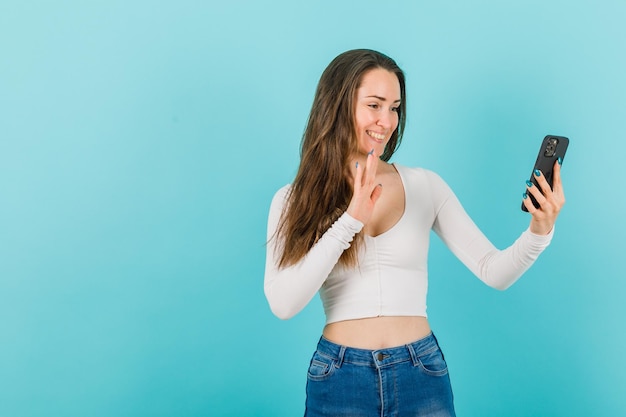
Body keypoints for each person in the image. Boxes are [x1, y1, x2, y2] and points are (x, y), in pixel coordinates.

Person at [263, 49, 565, 417]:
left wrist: (539, 230)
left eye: (394, 108)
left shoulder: (425, 186)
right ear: (337, 106)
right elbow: (283, 304)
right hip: (339, 377)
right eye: (374, 105)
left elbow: (494, 271)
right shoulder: (293, 199)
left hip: (420, 372)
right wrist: (350, 220)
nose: (386, 121)